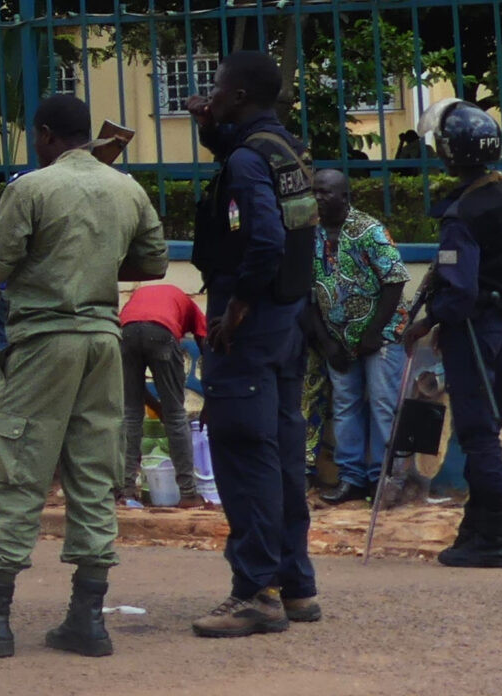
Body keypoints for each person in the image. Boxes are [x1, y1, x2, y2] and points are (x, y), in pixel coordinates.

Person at [0, 93, 167, 660]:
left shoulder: (32, 188)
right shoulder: (126, 188)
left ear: (44, 136)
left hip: (43, 342)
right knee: (94, 475)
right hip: (103, 344)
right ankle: (87, 620)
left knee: (16, 473)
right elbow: (155, 262)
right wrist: (99, 265)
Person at [183, 49, 320, 635]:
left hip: (253, 323)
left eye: (216, 88)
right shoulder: (283, 149)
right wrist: (211, 131)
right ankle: (295, 587)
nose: (209, 94)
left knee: (244, 452)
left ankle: (254, 593)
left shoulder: (247, 160)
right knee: (284, 453)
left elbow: (263, 237)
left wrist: (236, 305)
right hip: (288, 322)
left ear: (238, 95)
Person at [402, 99, 502, 568]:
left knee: (477, 432)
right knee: (487, 426)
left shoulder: (464, 213)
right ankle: (476, 529)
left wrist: (428, 321)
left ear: (450, 151)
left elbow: (458, 290)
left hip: (474, 330)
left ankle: (495, 539)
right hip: (499, 326)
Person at [307, 169, 409, 506]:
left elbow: (394, 280)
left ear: (345, 197)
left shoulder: (369, 231)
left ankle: (387, 479)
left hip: (379, 336)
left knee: (383, 405)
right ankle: (351, 479)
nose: (319, 198)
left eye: (326, 192)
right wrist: (327, 343)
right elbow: (304, 295)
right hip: (337, 339)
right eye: (315, 192)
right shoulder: (309, 234)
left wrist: (373, 332)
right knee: (345, 406)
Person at [117, 281, 206, 507]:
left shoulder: (139, 297)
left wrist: (157, 407)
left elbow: (135, 392)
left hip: (125, 333)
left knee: (130, 414)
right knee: (176, 415)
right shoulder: (190, 306)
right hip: (162, 331)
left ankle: (126, 491)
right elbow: (205, 344)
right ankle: (188, 494)